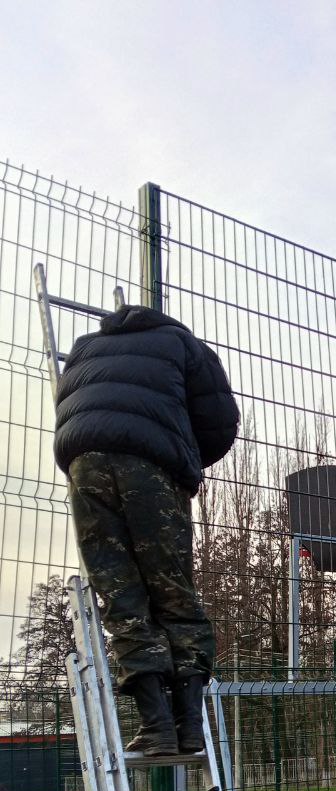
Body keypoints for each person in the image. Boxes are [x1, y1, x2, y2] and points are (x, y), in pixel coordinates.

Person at [54, 304, 240, 756]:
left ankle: (155, 724)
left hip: (84, 462)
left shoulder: (82, 348)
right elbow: (220, 421)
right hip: (151, 466)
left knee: (121, 594)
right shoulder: (183, 344)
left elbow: (68, 406)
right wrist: (185, 458)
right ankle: (190, 725)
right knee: (173, 590)